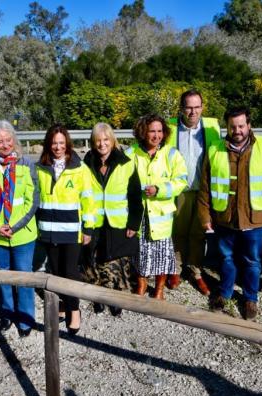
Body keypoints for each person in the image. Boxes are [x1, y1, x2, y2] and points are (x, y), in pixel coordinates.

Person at [198, 107, 262, 320]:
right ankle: (225, 292)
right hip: (224, 218)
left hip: (256, 219)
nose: (237, 130)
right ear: (227, 127)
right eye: (232, 126)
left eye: (241, 125)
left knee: (252, 261)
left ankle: (250, 298)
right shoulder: (215, 149)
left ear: (249, 125)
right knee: (226, 259)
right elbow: (204, 188)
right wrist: (204, 216)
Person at [0, 120, 39, 337]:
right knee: (3, 276)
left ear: (14, 139)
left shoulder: (26, 163)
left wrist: (15, 225)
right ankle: (7, 313)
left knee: (24, 278)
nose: (5, 144)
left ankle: (25, 319)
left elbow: (33, 200)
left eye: (8, 140)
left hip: (22, 233)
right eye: (0, 141)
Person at [36, 124, 95, 335]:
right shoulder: (40, 167)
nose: (57, 147)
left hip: (71, 230)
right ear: (48, 144)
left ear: (67, 144)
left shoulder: (79, 168)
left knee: (70, 271)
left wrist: (88, 228)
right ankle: (61, 303)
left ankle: (74, 309)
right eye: (54, 143)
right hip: (49, 229)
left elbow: (88, 199)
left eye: (61, 143)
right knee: (56, 271)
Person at [81, 123, 143, 316]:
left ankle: (116, 298)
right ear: (92, 143)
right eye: (98, 140)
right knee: (95, 260)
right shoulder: (86, 163)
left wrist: (134, 223)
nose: (102, 144)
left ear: (112, 140)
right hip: (95, 221)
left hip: (118, 221)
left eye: (106, 139)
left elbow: (135, 197)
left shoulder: (126, 163)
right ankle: (98, 297)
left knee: (117, 264)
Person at [125, 114, 188, 300]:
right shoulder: (131, 153)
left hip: (161, 216)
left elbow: (181, 181)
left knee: (163, 254)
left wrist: (160, 189)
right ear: (143, 132)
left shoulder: (171, 154)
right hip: (141, 215)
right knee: (140, 253)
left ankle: (159, 289)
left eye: (160, 131)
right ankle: (142, 283)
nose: (156, 135)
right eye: (152, 131)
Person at [167, 89, 221, 295]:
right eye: (188, 107)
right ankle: (176, 268)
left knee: (199, 233)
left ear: (202, 107)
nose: (193, 111)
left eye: (197, 107)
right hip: (179, 190)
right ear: (181, 108)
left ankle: (196, 270)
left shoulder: (212, 128)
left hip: (203, 191)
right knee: (177, 232)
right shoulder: (170, 128)